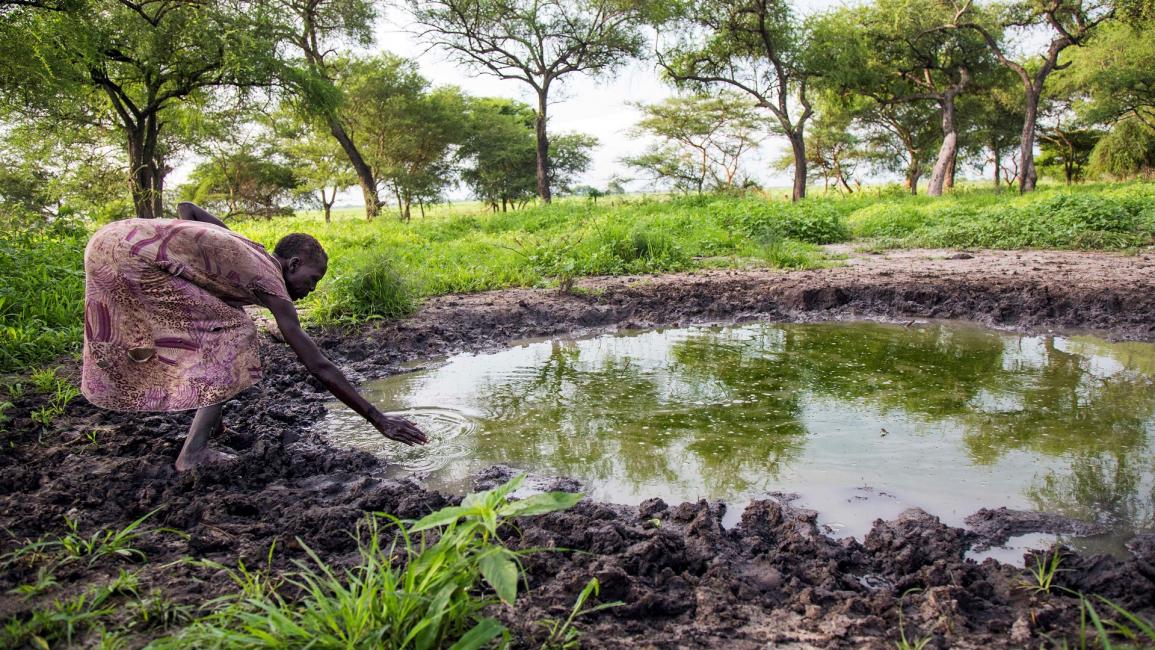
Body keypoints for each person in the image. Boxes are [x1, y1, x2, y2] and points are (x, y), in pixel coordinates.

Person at [80, 202, 427, 470]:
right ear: (291, 265)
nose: (311, 289)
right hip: (128, 258)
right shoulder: (271, 281)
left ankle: (211, 426)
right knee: (235, 331)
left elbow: (187, 208)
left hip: (112, 238)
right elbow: (317, 364)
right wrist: (378, 419)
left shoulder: (248, 247)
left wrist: (189, 238)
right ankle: (193, 453)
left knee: (220, 325)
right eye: (313, 279)